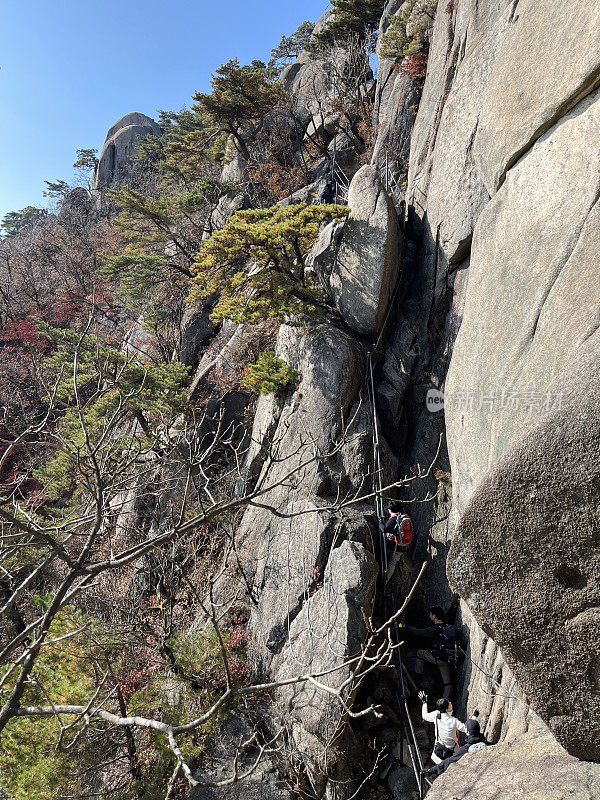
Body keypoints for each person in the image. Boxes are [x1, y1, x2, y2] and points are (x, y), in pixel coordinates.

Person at [403, 606, 456, 698]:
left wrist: (402, 626)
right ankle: (444, 706)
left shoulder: (433, 630)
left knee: (419, 653)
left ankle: (418, 675)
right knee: (448, 684)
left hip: (437, 658)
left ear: (434, 616)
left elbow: (417, 631)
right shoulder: (450, 628)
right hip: (447, 659)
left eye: (430, 614)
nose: (430, 616)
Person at [422, 711, 487, 776]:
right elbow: (472, 728)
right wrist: (474, 717)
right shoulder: (486, 743)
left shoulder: (464, 750)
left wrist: (430, 770)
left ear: (467, 731)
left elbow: (449, 761)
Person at [418, 692, 467, 764]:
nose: (450, 703)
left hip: (438, 753)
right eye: (449, 703)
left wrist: (424, 702)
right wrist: (474, 717)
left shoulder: (436, 714)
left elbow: (424, 716)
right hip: (451, 753)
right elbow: (467, 729)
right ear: (447, 709)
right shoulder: (453, 721)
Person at [382, 503, 413, 584]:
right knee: (393, 563)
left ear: (390, 510)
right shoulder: (403, 517)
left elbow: (385, 529)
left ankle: (384, 581)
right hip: (403, 546)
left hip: (395, 547)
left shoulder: (393, 519)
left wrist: (380, 523)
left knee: (391, 565)